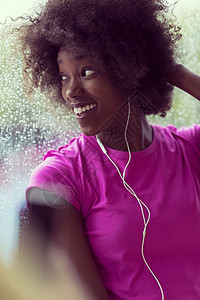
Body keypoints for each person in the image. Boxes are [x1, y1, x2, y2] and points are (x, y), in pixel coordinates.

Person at [20, 0, 200, 299]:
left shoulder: (188, 149)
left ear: (128, 71)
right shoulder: (56, 180)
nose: (71, 91)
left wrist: (172, 72)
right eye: (64, 76)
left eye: (87, 71)